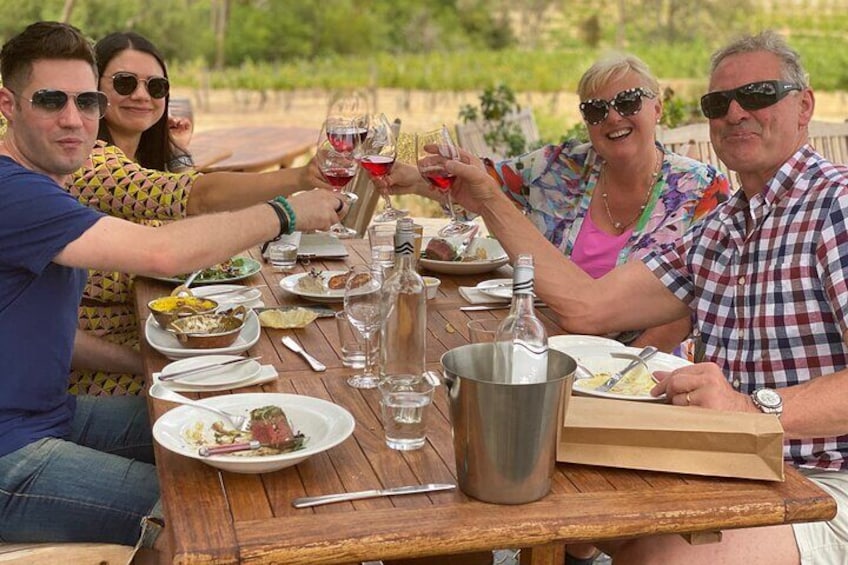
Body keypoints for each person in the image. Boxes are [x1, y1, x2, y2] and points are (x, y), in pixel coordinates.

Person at [444, 30, 848, 564]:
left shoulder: (835, 206)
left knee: (657, 556)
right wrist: (489, 201)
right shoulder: (723, 226)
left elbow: (749, 414)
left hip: (824, 479)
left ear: (804, 106)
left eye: (757, 94)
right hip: (734, 460)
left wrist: (752, 410)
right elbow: (589, 306)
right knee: (546, 486)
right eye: (717, 103)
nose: (734, 113)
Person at [0, 20, 345, 555]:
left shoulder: (42, 187)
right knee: (214, 511)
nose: (73, 119)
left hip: (51, 411)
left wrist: (146, 365)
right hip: (9, 454)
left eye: (86, 101)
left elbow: (48, 337)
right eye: (50, 101)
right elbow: (165, 252)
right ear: (9, 104)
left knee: (242, 423)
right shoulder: (14, 191)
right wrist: (286, 212)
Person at [388, 53, 729, 355]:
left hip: (643, 366)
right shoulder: (560, 167)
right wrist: (412, 179)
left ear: (657, 108)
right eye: (595, 110)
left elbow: (688, 307)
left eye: (627, 102)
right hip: (550, 345)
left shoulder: (699, 189)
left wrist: (618, 373)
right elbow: (481, 185)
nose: (612, 117)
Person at [66, 31, 334, 396]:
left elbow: (163, 193)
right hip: (104, 369)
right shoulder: (90, 162)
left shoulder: (135, 160)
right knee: (256, 389)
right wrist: (299, 182)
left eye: (156, 87)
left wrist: (177, 152)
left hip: (152, 337)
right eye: (125, 83)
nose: (142, 95)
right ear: (92, 92)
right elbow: (197, 196)